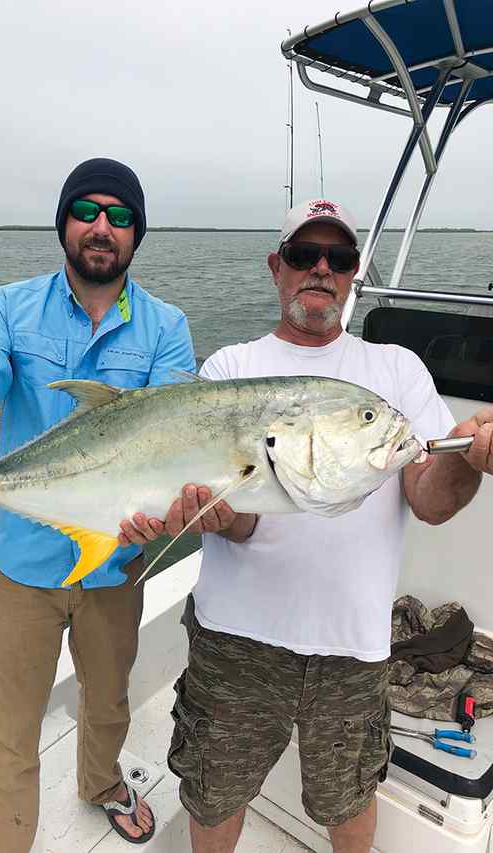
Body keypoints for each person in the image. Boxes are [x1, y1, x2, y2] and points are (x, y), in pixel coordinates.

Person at [119, 198, 493, 853]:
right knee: (213, 793)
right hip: (235, 637)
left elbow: (431, 498)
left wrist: (470, 458)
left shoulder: (396, 372)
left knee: (348, 798)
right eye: (304, 254)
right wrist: (209, 513)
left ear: (354, 273)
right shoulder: (230, 370)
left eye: (339, 257)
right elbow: (232, 519)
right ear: (277, 266)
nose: (321, 268)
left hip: (351, 644)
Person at [0, 157, 196, 851]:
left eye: (121, 215)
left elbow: (173, 435)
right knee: (7, 726)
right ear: (64, 223)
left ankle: (100, 781)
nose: (102, 226)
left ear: (137, 234)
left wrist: (162, 511)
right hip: (24, 557)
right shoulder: (11, 306)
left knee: (107, 702)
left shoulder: (167, 328)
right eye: (87, 210)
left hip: (118, 563)